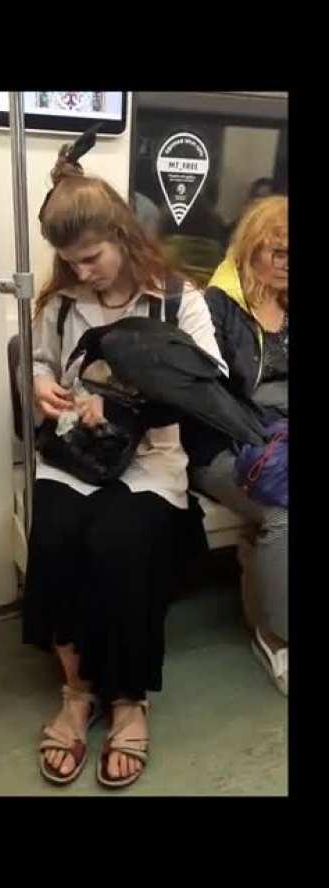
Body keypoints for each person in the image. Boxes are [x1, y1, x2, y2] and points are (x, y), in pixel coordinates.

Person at [23, 144, 228, 788]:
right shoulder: (59, 305)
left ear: (122, 235)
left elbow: (212, 381)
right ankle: (78, 691)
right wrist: (41, 386)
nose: (81, 272)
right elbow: (41, 363)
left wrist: (120, 400)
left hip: (149, 459)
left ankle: (129, 698)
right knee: (54, 537)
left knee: (122, 542)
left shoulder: (176, 301)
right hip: (76, 456)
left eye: (92, 257)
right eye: (68, 261)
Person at [187, 195, 288, 696]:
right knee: (282, 513)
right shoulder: (217, 308)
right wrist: (265, 434)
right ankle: (277, 637)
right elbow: (209, 400)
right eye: (279, 252)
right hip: (226, 447)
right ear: (252, 250)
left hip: (281, 442)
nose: (288, 264)